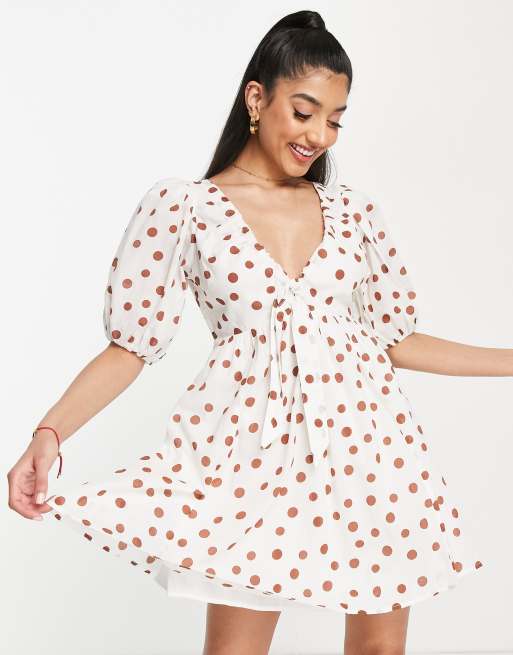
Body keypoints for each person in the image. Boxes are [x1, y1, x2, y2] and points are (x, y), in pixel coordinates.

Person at [8, 9, 496, 655]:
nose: (318, 135)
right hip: (248, 458)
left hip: (370, 450)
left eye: (335, 120)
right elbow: (130, 347)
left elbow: (395, 340)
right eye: (304, 111)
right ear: (257, 99)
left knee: (380, 649)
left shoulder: (352, 212)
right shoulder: (186, 207)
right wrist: (48, 433)